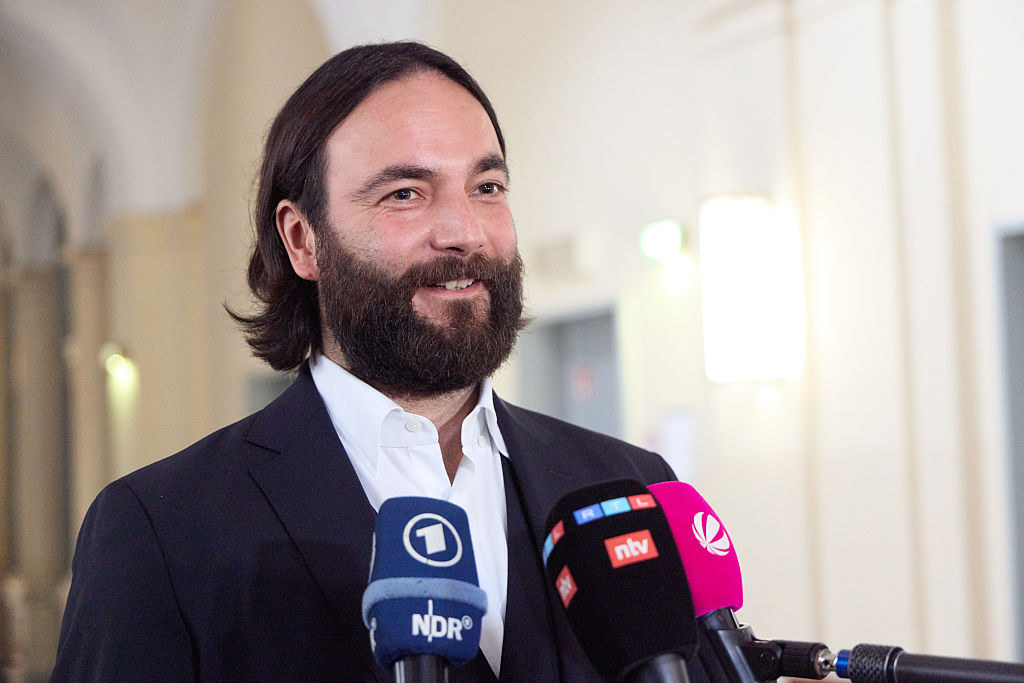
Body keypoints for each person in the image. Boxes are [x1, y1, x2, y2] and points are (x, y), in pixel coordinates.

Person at [52, 41, 704, 682]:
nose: (464, 231)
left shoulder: (631, 486)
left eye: (487, 185)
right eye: (404, 193)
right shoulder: (162, 531)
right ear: (303, 240)